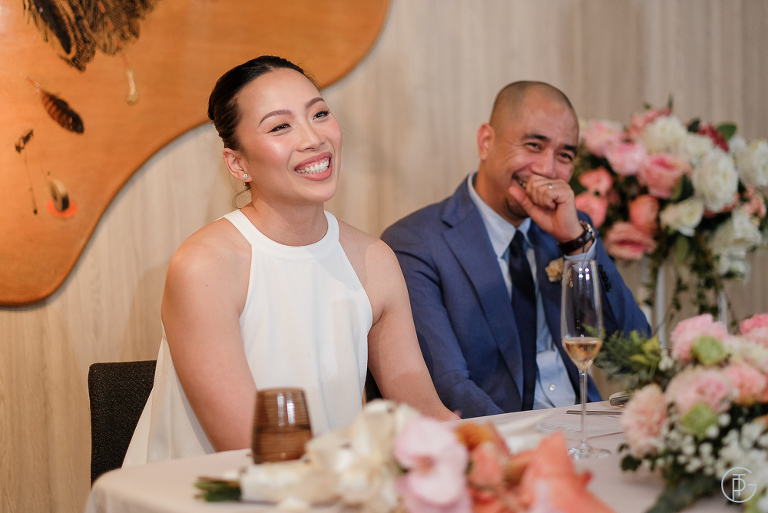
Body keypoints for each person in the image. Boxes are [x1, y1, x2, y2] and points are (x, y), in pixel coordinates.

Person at [124, 56, 456, 465]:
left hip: (329, 484)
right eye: (280, 126)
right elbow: (250, 447)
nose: (313, 138)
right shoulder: (205, 266)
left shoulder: (374, 259)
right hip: (208, 488)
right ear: (238, 163)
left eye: (319, 114)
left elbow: (422, 412)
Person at [381, 81, 651, 418]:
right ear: (486, 142)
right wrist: (522, 441)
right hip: (501, 432)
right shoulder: (416, 242)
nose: (548, 169)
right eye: (534, 145)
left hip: (586, 423)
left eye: (565, 155)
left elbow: (637, 351)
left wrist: (575, 246)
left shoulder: (572, 228)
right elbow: (448, 387)